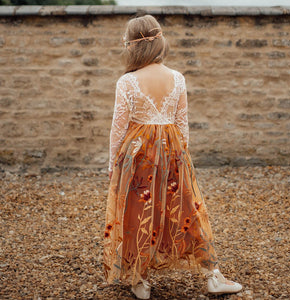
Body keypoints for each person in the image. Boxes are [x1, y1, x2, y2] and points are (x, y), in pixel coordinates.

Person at [103, 14, 242, 299]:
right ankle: (212, 275)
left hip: (138, 153)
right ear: (160, 43)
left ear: (132, 46)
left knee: (139, 211)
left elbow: (118, 128)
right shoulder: (177, 79)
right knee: (188, 210)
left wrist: (112, 164)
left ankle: (139, 279)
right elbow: (183, 126)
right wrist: (181, 159)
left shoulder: (127, 82)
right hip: (172, 151)